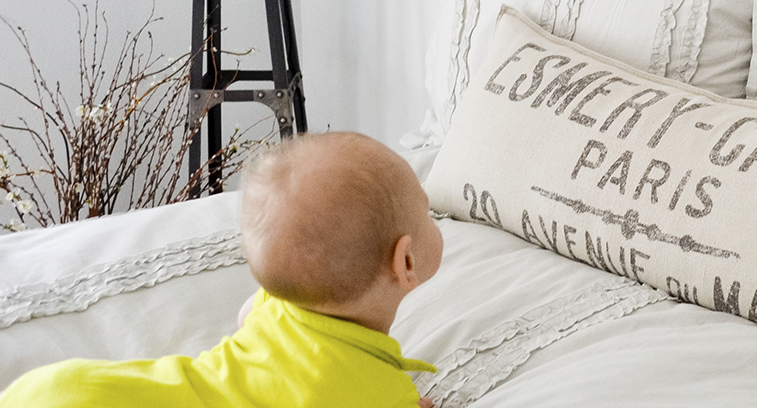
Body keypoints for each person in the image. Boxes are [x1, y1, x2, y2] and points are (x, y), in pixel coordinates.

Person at [0, 131, 444, 408]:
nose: (433, 217)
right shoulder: (382, 391)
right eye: (426, 213)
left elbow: (247, 316)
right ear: (405, 262)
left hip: (64, 390)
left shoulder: (282, 301)